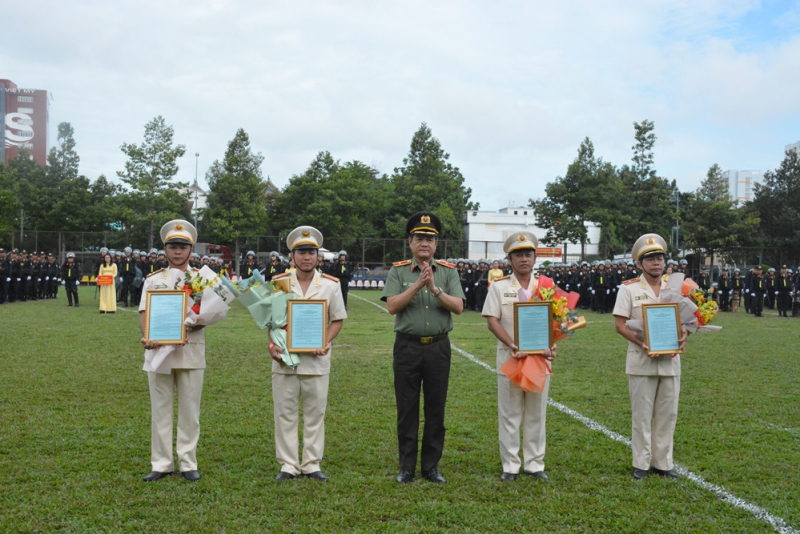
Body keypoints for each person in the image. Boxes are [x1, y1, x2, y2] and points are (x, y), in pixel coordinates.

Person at [381, 212, 465, 484]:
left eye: (430, 238)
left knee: (435, 409)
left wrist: (435, 289)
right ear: (410, 242)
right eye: (419, 238)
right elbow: (392, 306)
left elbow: (459, 307)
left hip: (438, 349)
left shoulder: (449, 272)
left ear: (437, 243)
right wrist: (418, 285)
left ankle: (431, 466)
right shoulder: (399, 270)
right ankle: (406, 467)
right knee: (406, 409)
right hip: (407, 348)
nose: (425, 243)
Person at [268, 226, 347, 481]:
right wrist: (272, 346)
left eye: (311, 252)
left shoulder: (330, 286)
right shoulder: (279, 284)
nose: (306, 257)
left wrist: (325, 340)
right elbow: (272, 323)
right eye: (301, 252)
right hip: (285, 360)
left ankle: (312, 463)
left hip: (316, 358)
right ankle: (288, 464)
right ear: (292, 256)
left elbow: (337, 320)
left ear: (318, 257)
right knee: (285, 413)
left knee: (315, 413)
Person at [482, 231, 557, 482]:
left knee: (536, 412)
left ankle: (535, 464)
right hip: (510, 357)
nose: (524, 259)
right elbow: (492, 320)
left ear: (535, 258)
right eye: (518, 255)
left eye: (528, 254)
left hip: (539, 358)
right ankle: (511, 465)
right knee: (510, 412)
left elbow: (559, 320)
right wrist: (511, 343)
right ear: (509, 259)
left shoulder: (546, 287)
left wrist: (553, 344)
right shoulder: (500, 286)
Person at [613, 234, 689, 480]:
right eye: (650, 259)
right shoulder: (629, 289)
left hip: (670, 360)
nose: (656, 263)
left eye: (659, 258)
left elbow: (685, 321)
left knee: (668, 414)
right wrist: (641, 342)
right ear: (639, 264)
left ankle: (663, 463)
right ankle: (641, 464)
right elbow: (620, 325)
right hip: (641, 360)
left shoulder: (676, 288)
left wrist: (686, 332)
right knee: (642, 415)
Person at [139, 219, 206, 483]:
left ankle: (188, 462)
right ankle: (162, 463)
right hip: (158, 352)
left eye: (183, 247)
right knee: (160, 409)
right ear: (164, 250)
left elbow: (207, 313)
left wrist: (193, 323)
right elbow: (144, 312)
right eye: (172, 247)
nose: (177, 252)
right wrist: (147, 335)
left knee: (190, 411)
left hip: (191, 349)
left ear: (191, 250)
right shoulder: (153, 280)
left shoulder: (200, 278)